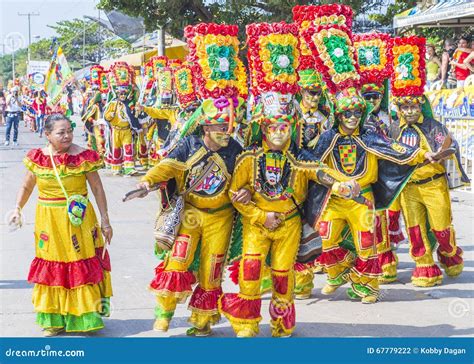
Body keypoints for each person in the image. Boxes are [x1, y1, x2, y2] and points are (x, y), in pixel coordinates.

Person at [219, 20, 359, 338]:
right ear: (263, 128)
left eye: (285, 126)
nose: (280, 132)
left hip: (289, 224)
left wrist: (340, 182)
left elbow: (320, 171)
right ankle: (248, 322)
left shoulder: (297, 158)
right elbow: (234, 192)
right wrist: (257, 213)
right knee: (251, 270)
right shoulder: (248, 159)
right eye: (273, 126)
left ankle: (282, 322)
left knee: (283, 275)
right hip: (257, 223)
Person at [136, 23, 249, 337]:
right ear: (204, 127)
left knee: (212, 269)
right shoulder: (189, 144)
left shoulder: (237, 150)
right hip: (190, 215)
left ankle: (202, 320)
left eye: (228, 128)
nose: (225, 133)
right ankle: (164, 313)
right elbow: (168, 167)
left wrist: (244, 195)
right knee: (178, 261)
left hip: (222, 217)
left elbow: (246, 178)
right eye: (218, 128)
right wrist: (147, 182)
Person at [9, 113, 113, 336]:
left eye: (69, 131)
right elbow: (27, 187)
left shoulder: (84, 156)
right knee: (51, 264)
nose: (67, 136)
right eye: (60, 132)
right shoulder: (38, 158)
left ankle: (84, 317)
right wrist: (17, 208)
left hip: (79, 221)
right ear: (47, 135)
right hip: (48, 220)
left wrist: (105, 220)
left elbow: (97, 189)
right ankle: (53, 319)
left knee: (79, 263)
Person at [389, 36, 469, 287]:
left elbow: (451, 146)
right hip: (408, 188)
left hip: (434, 185)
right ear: (400, 110)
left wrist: (439, 154)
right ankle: (424, 266)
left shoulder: (434, 126)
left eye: (414, 106)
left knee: (441, 228)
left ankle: (448, 252)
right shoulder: (394, 130)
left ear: (420, 106)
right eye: (405, 107)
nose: (410, 111)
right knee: (414, 230)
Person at [103, 62, 141, 176]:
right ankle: (116, 167)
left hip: (127, 130)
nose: (123, 95)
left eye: (125, 93)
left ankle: (129, 168)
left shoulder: (130, 103)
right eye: (121, 93)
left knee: (128, 148)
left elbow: (134, 115)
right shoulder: (113, 103)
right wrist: (111, 115)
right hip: (115, 130)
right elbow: (106, 117)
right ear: (117, 93)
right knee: (116, 149)